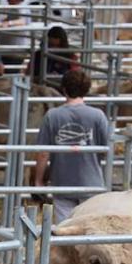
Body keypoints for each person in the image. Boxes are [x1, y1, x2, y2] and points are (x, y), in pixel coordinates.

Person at [33, 69, 111, 222]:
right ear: (87, 90)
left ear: (64, 89)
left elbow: (43, 153)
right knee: (89, 226)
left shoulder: (52, 115)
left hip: (62, 183)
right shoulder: (98, 115)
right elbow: (108, 149)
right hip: (91, 182)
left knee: (65, 228)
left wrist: (38, 180)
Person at [0, 0, 30, 66]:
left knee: (11, 69)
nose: (7, 0)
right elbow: (11, 18)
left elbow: (22, 21)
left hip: (15, 49)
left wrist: (9, 23)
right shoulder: (14, 7)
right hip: (8, 48)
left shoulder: (21, 8)